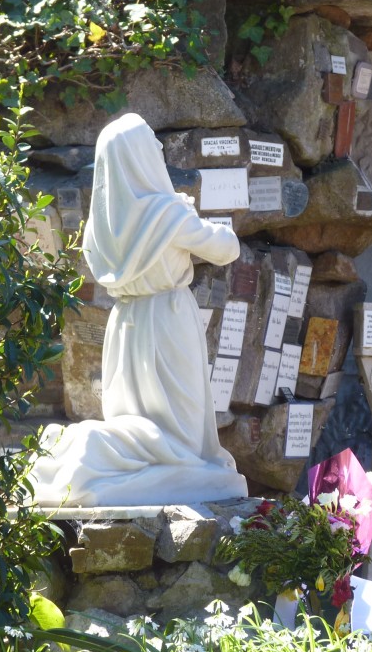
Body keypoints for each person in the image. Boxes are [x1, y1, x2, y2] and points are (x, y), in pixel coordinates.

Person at [29, 113, 249, 507]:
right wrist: (192, 214)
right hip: (167, 321)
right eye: (152, 142)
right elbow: (225, 249)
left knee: (142, 420)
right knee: (179, 437)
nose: (160, 148)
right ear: (136, 156)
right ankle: (91, 450)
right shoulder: (166, 214)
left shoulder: (104, 223)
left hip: (126, 325)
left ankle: (83, 449)